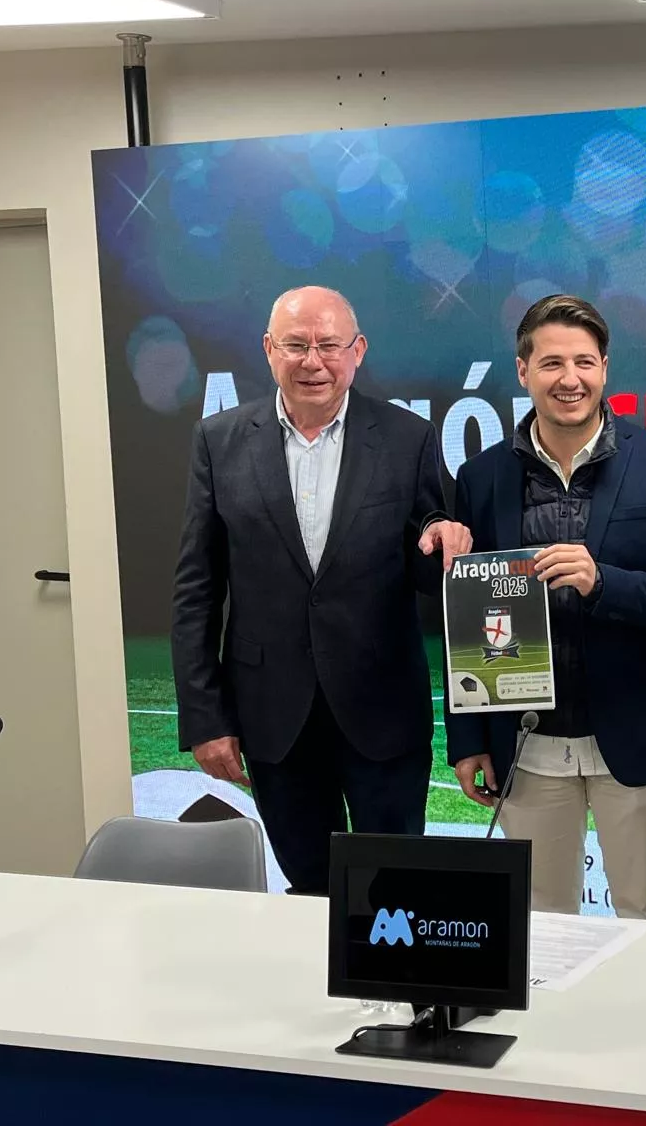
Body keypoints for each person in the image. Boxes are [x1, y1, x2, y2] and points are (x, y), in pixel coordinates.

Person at [171, 286, 471, 895]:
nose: (313, 361)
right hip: (273, 718)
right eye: (296, 345)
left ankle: (391, 963)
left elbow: (424, 560)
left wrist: (444, 538)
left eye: (329, 345)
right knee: (308, 887)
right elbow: (196, 590)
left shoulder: (408, 437)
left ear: (357, 351)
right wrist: (205, 719)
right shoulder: (218, 441)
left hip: (383, 710)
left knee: (396, 888)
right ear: (268, 349)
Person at [446, 294, 646, 920]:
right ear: (523, 370)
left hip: (639, 734)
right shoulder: (481, 478)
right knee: (540, 924)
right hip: (528, 744)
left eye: (585, 362)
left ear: (605, 368)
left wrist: (602, 583)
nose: (571, 379)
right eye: (552, 363)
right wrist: (468, 737)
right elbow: (465, 617)